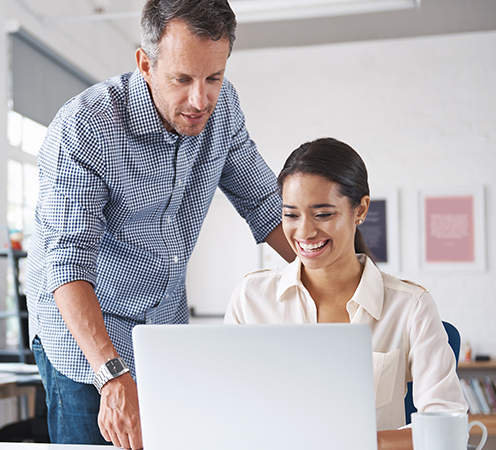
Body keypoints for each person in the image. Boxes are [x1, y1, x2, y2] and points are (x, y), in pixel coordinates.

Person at [25, 1, 295, 448]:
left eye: (213, 78)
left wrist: (350, 280)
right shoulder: (86, 126)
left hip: (161, 326)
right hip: (84, 333)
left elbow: (266, 206)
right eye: (182, 79)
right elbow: (68, 263)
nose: (200, 101)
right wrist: (112, 376)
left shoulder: (223, 109)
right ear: (146, 65)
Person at [224, 137, 468, 450]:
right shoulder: (251, 298)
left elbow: (447, 429)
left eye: (323, 214)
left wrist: (359, 442)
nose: (304, 232)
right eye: (291, 215)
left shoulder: (410, 306)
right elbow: (227, 409)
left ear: (360, 210)